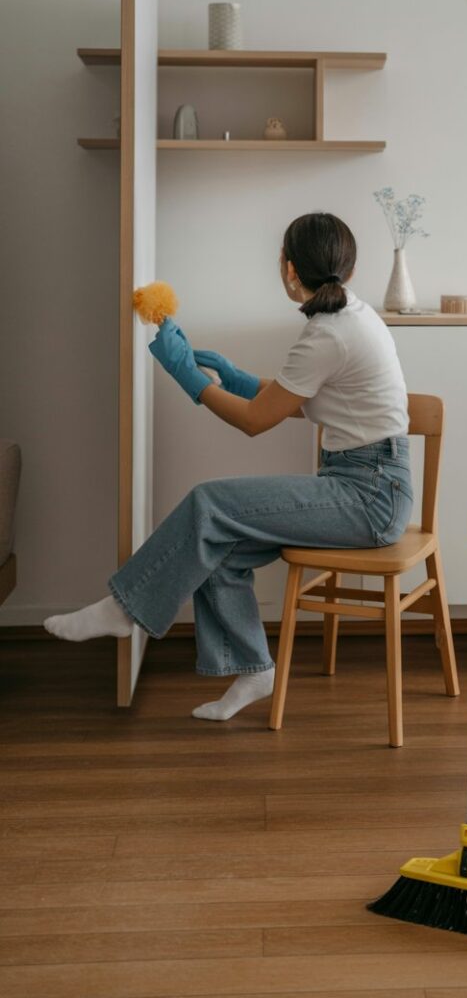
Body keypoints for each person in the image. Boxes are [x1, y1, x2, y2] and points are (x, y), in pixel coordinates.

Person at [45, 212, 413, 720]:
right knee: (216, 543)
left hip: (369, 496)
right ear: (345, 268)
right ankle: (253, 669)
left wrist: (189, 379)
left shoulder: (329, 332)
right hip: (364, 483)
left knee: (209, 502)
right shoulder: (347, 317)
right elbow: (289, 398)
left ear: (288, 269)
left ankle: (123, 609)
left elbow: (256, 422)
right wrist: (236, 377)